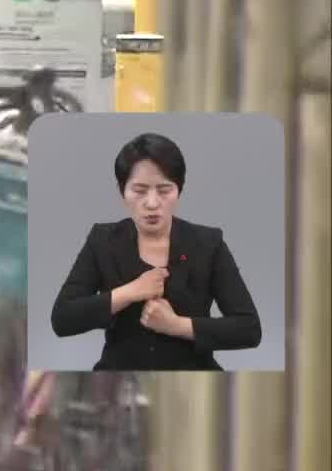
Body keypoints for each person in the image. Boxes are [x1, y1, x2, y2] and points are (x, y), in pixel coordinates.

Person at [50, 132, 261, 370]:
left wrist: (177, 325)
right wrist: (129, 292)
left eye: (164, 190)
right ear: (122, 191)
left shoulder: (208, 244)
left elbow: (249, 329)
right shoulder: (103, 241)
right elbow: (62, 319)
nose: (152, 203)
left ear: (179, 190)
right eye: (139, 191)